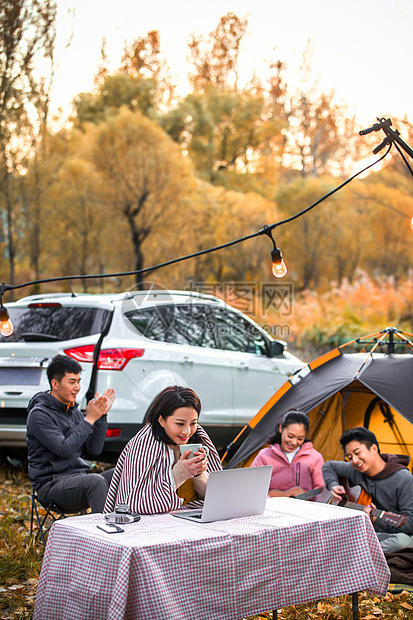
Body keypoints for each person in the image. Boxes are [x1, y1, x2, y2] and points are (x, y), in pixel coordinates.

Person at [104, 385, 222, 515]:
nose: (187, 431)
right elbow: (135, 504)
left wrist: (199, 473)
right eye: (180, 424)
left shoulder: (197, 440)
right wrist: (179, 474)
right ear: (161, 420)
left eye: (193, 423)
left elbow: (216, 499)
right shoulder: (144, 445)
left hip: (191, 519)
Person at [26, 354, 115, 513]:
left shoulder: (72, 410)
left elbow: (93, 450)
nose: (77, 387)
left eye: (79, 381)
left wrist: (101, 417)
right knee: (95, 481)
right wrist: (89, 419)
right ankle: (103, 534)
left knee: (124, 472)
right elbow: (64, 450)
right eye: (72, 382)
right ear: (55, 384)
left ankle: (129, 530)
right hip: (51, 485)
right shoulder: (39, 415)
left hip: (77, 479)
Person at [322, 427, 413, 554]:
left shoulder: (404, 479)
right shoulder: (355, 470)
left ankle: (356, 554)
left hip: (388, 533)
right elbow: (329, 466)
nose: (354, 460)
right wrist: (333, 485)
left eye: (357, 453)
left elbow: (410, 522)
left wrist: (377, 520)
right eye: (349, 457)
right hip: (361, 530)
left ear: (374, 449)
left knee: (403, 542)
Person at [250, 410, 324, 497]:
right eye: (290, 436)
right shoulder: (264, 456)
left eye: (300, 438)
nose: (294, 442)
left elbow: (321, 491)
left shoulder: (315, 458)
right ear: (281, 429)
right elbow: (252, 488)